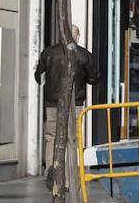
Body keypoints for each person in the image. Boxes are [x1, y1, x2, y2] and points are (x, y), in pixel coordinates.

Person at [34, 24, 98, 187]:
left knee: (51, 137)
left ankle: (52, 171)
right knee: (72, 139)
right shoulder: (83, 55)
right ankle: (69, 179)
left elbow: (38, 76)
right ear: (76, 37)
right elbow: (94, 78)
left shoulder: (48, 53)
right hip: (74, 103)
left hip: (52, 103)